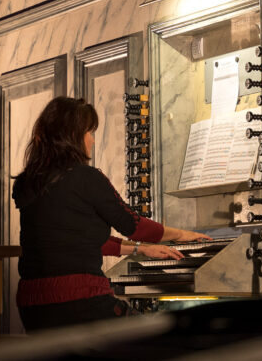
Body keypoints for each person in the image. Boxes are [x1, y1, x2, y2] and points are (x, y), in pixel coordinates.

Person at [13, 96, 211, 331]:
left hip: (32, 307)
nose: (92, 140)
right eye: (90, 132)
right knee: (162, 336)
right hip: (81, 302)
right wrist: (181, 235)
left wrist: (141, 249)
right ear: (73, 135)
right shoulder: (87, 178)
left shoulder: (27, 182)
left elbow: (77, 241)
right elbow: (134, 226)